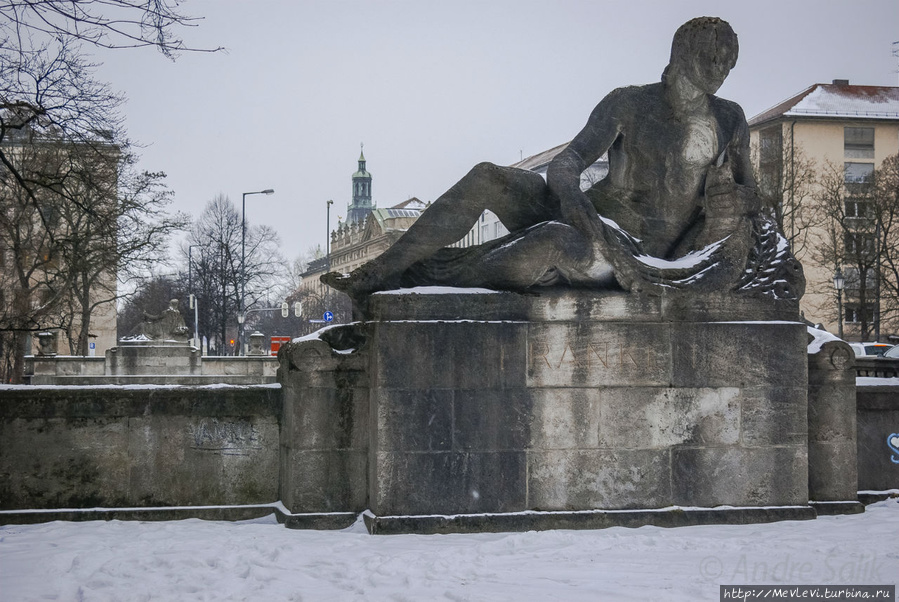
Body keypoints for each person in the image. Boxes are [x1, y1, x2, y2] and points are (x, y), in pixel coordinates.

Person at [323, 17, 782, 300]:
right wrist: (574, 199)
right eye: (713, 58)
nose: (722, 70)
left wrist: (736, 202)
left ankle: (420, 273)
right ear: (683, 54)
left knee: (549, 242)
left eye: (729, 62)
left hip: (634, 250)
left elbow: (753, 195)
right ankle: (381, 269)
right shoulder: (629, 103)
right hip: (588, 216)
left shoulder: (729, 118)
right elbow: (569, 161)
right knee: (488, 176)